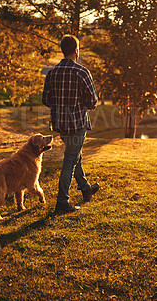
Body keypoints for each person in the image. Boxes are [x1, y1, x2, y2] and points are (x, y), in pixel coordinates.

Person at [42, 34, 100, 214]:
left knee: (75, 156)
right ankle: (62, 203)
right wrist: (80, 104)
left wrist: (59, 106)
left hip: (61, 124)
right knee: (70, 160)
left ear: (62, 50)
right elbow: (93, 101)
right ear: (76, 50)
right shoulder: (82, 72)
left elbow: (46, 99)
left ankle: (85, 188)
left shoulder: (52, 72)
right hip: (77, 123)